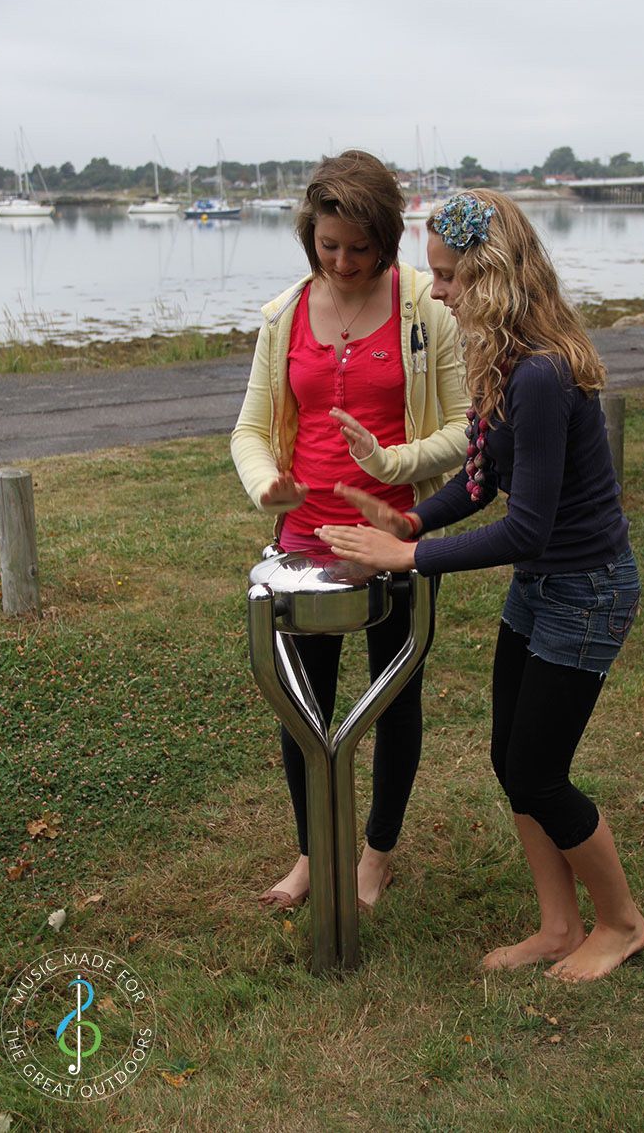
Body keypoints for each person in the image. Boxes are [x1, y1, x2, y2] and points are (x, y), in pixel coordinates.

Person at [315, 190, 644, 982]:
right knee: (510, 758)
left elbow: (526, 528)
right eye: (433, 275)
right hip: (544, 587)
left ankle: (622, 923)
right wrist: (410, 525)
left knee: (538, 770)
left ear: (493, 276)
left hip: (587, 590)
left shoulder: (539, 375)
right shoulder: (502, 359)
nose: (437, 291)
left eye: (451, 276)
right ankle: (559, 926)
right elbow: (481, 483)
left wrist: (408, 561)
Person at [231, 151, 470, 912]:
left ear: (387, 240)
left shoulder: (428, 308)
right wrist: (266, 482)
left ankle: (376, 854)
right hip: (304, 544)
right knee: (303, 702)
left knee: (395, 696)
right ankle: (310, 853)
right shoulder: (285, 315)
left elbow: (471, 430)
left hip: (398, 536)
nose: (342, 262)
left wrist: (392, 464)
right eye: (328, 246)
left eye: (359, 249)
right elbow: (249, 431)